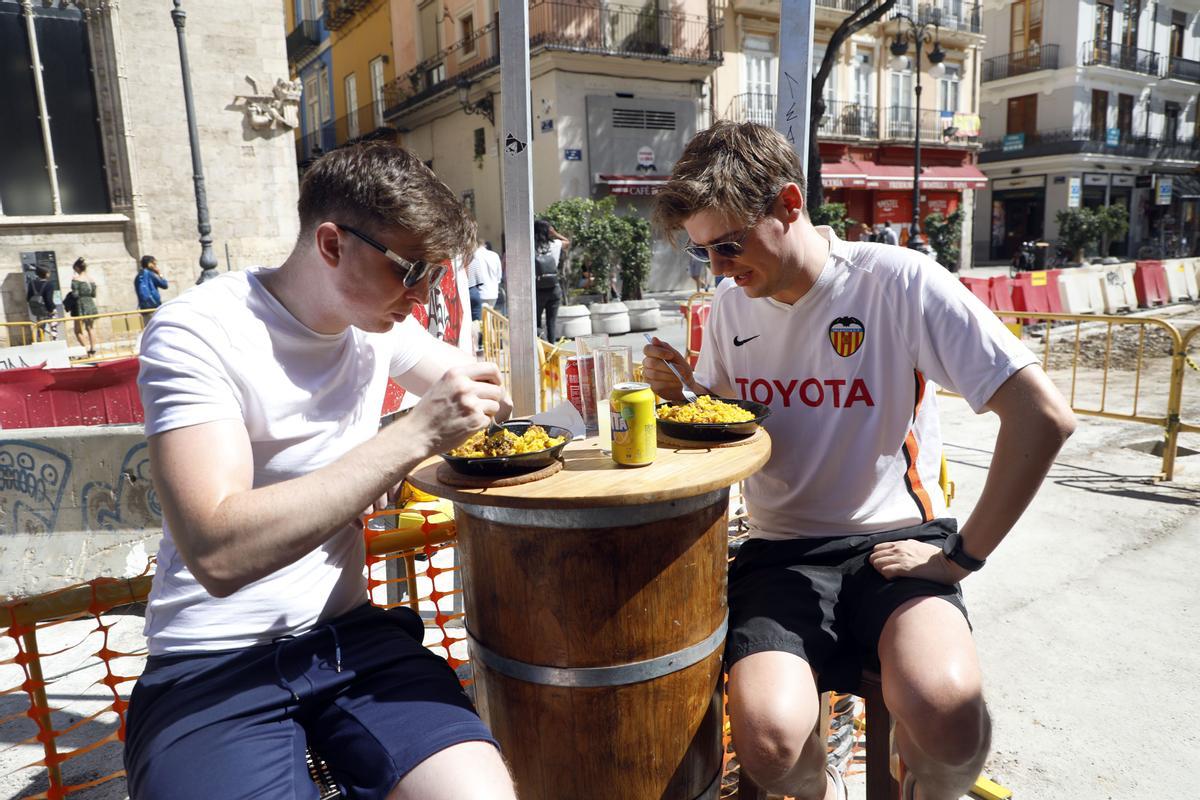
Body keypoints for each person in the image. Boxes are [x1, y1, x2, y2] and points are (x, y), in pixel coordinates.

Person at [642, 121, 1075, 800]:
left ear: (789, 203)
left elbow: (1043, 416)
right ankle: (828, 792)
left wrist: (962, 556)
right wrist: (685, 394)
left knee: (952, 719)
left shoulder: (894, 281)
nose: (720, 269)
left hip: (897, 543)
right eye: (704, 254)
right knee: (768, 742)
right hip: (781, 553)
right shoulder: (729, 310)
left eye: (728, 245)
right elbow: (731, 424)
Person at [124, 143, 518, 800]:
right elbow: (216, 551)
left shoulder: (378, 322)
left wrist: (473, 403)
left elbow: (469, 384)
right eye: (410, 270)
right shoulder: (199, 331)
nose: (421, 297)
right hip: (210, 662)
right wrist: (412, 437)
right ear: (332, 245)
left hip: (348, 637)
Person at [533, 218, 570, 340]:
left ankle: (540, 349)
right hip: (554, 287)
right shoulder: (555, 244)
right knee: (551, 323)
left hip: (538, 289)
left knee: (536, 322)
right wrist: (555, 233)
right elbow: (567, 242)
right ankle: (552, 351)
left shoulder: (531, 248)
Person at [69, 257, 99, 356]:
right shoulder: (91, 280)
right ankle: (93, 349)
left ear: (77, 268)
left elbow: (75, 295)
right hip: (90, 305)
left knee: (77, 330)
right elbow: (93, 294)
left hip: (80, 306)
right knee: (90, 328)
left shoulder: (76, 280)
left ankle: (86, 349)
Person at [26, 267, 55, 332]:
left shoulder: (32, 284)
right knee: (53, 329)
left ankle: (40, 341)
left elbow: (28, 298)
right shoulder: (49, 284)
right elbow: (48, 299)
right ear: (46, 274)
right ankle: (54, 341)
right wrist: (52, 310)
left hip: (38, 311)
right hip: (48, 311)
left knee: (40, 330)